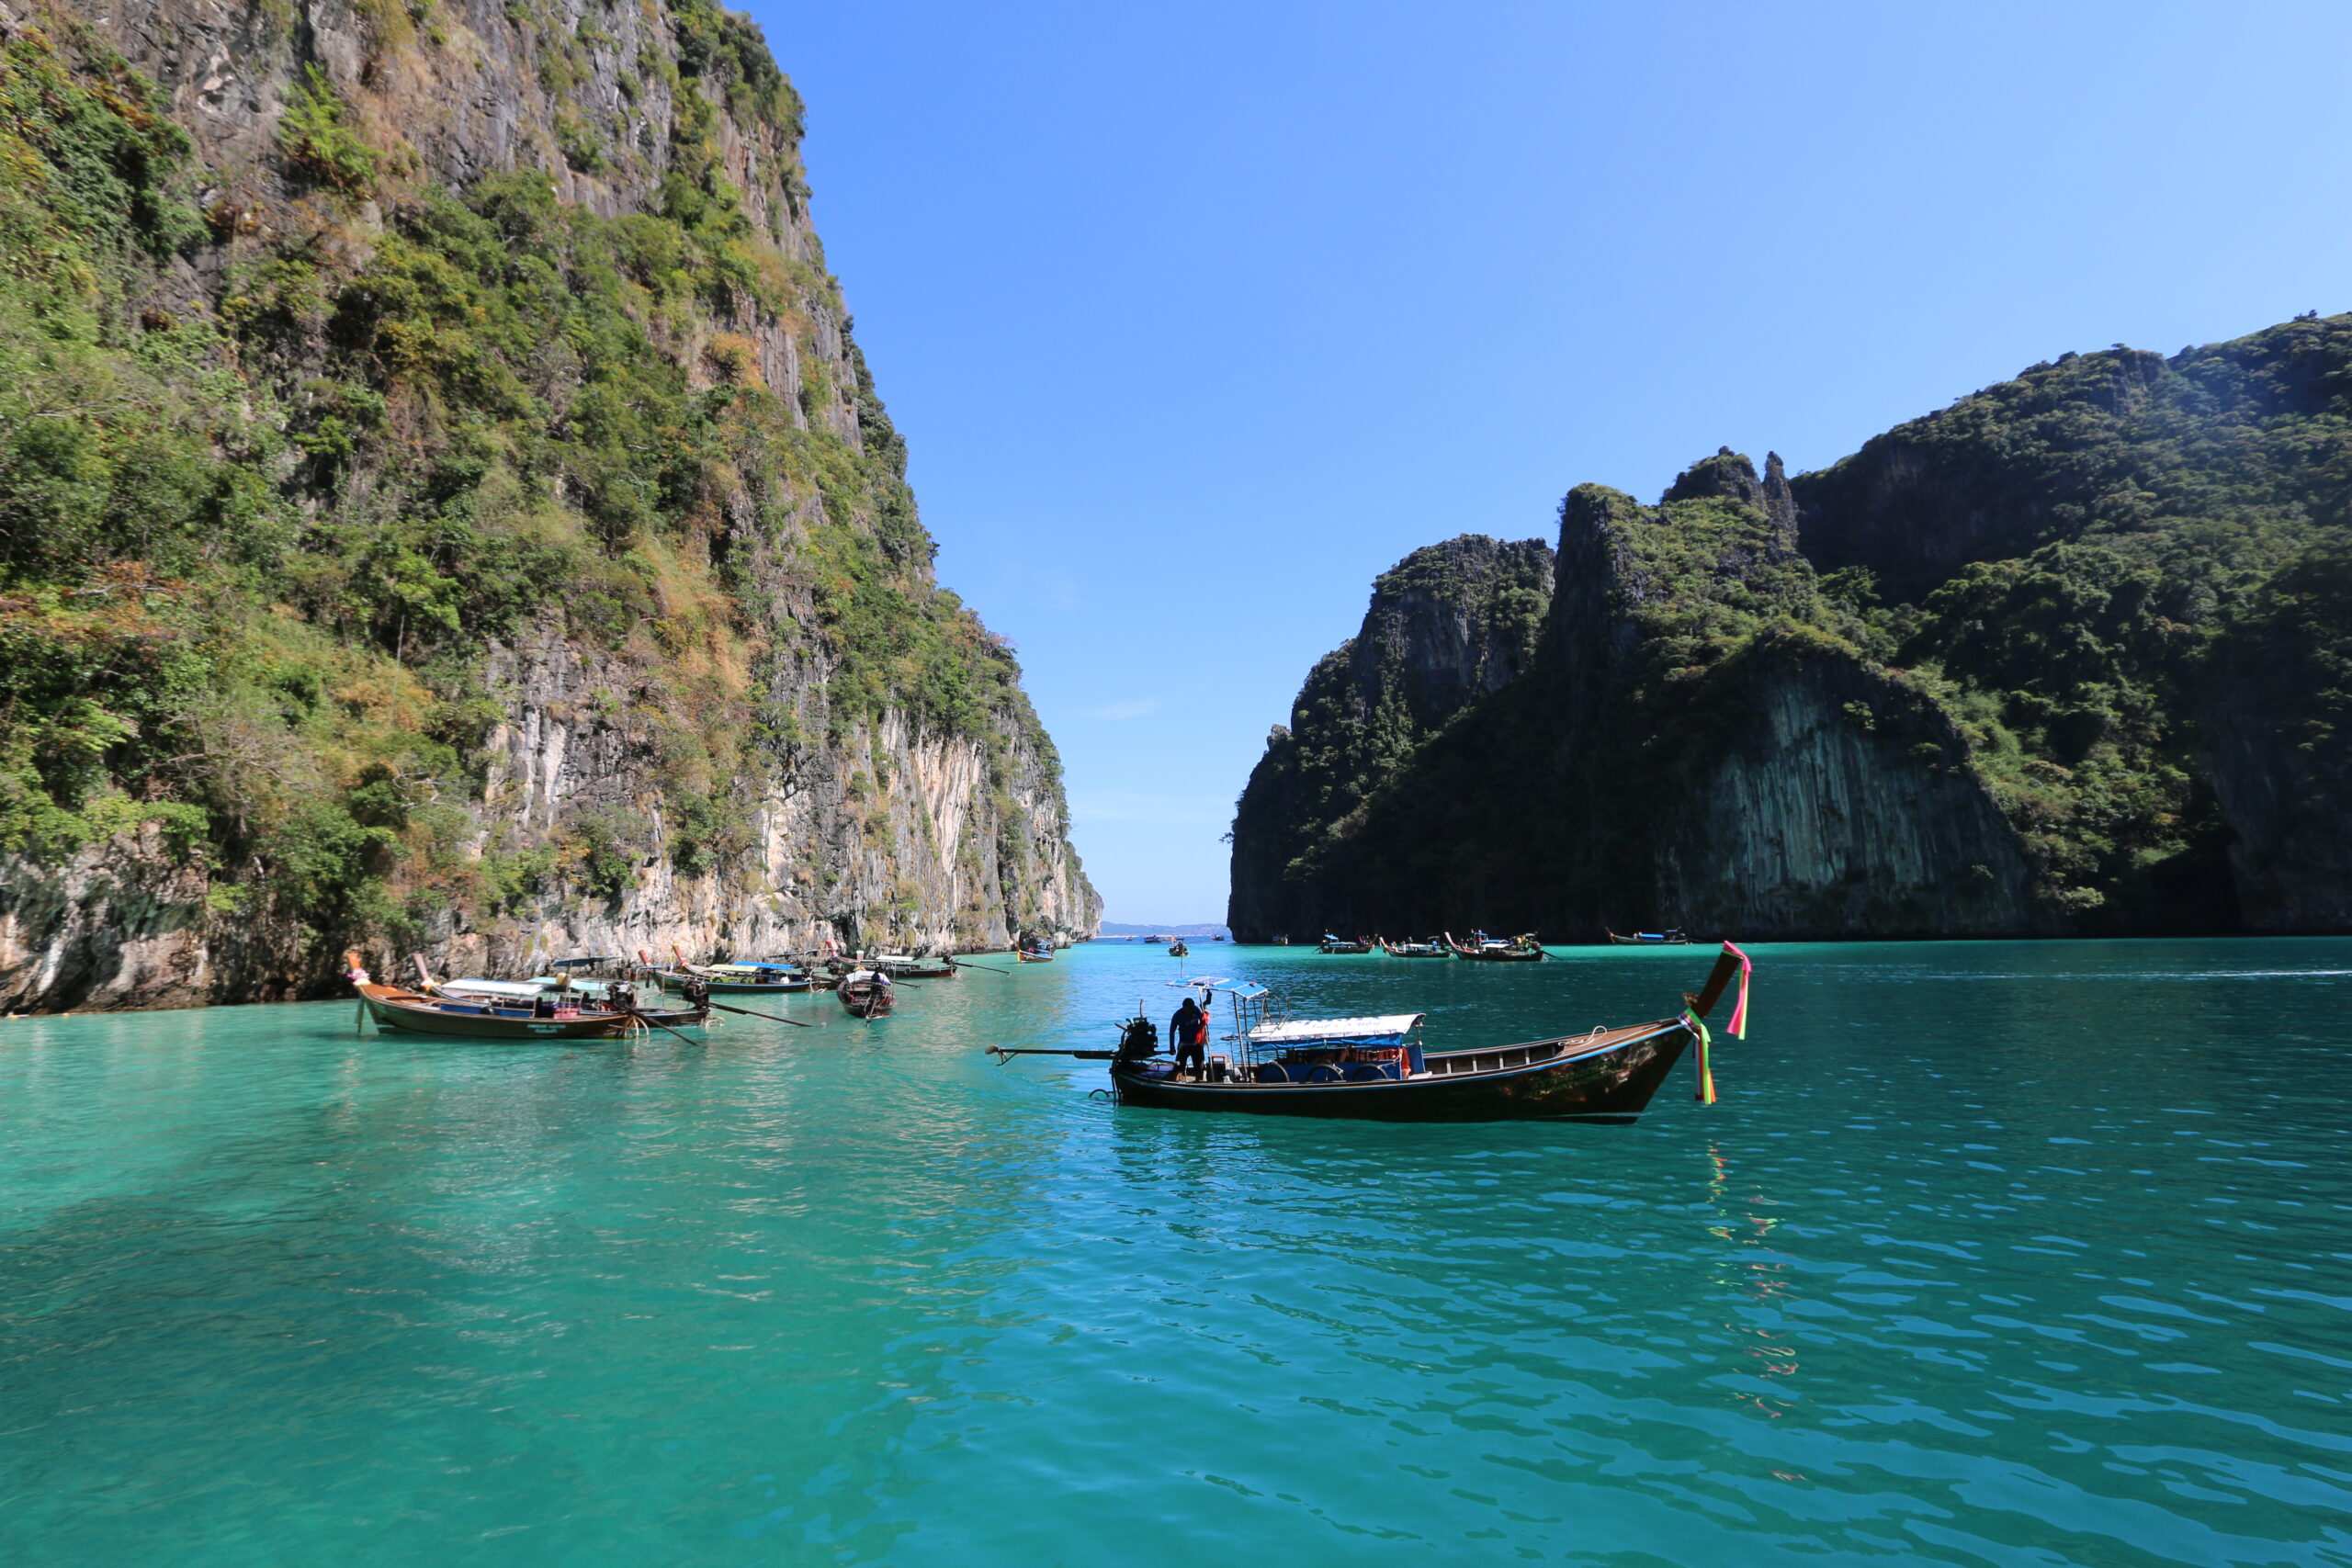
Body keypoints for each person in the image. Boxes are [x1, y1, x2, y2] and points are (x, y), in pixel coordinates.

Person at [1168, 994, 1210, 1077]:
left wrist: (1205, 1007)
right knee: (1178, 1068)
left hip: (1196, 1044)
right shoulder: (1177, 1015)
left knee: (1200, 1067)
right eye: (1189, 1009)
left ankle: (1199, 1080)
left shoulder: (1196, 1010)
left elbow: (1203, 1021)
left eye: (1192, 1008)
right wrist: (1172, 1047)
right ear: (1184, 1007)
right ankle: (1179, 1079)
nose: (1191, 1011)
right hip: (1184, 1045)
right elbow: (1172, 1031)